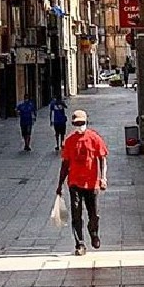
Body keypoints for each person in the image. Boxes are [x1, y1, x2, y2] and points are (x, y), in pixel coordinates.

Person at [56, 109, 108, 255]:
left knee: (94, 214)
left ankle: (94, 233)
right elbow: (65, 164)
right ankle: (80, 244)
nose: (79, 126)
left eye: (82, 123)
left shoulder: (94, 138)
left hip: (92, 183)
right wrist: (60, 184)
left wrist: (103, 178)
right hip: (74, 183)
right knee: (76, 214)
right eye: (77, 124)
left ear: (86, 122)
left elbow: (102, 158)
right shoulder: (69, 141)